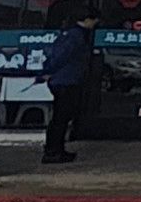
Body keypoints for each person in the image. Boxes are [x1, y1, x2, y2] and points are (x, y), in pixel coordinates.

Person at [39, 10, 98, 165]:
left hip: (61, 80)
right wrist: (48, 71)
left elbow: (54, 55)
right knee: (61, 118)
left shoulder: (67, 34)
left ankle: (55, 150)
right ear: (87, 19)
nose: (94, 25)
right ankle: (53, 152)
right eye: (94, 21)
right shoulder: (75, 36)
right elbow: (61, 57)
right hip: (66, 81)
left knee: (60, 118)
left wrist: (47, 72)